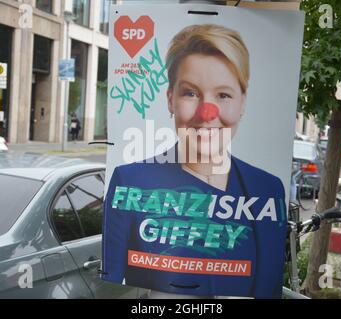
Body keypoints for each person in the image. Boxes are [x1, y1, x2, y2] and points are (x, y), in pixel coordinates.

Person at [102, 24, 287, 298]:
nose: (206, 112)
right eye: (190, 93)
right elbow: (112, 288)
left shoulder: (266, 189)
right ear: (170, 99)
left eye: (223, 95)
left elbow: (268, 290)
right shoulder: (129, 182)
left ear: (243, 102)